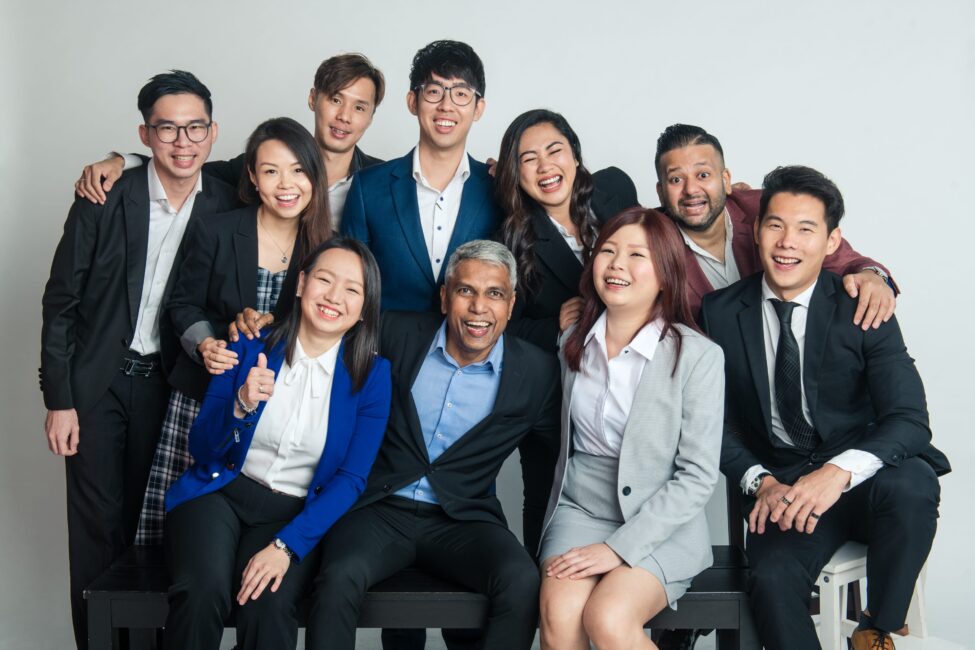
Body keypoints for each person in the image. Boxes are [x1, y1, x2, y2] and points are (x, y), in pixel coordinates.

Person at [699, 166, 950, 650]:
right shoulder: (721, 312)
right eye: (775, 225)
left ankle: (876, 629)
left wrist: (836, 473)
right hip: (784, 485)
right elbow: (714, 423)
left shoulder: (863, 306)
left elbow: (910, 421)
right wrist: (761, 481)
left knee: (914, 483)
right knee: (770, 582)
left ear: (833, 241)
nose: (786, 242)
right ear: (756, 231)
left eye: (806, 229)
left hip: (862, 479)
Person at [39, 70, 237, 648]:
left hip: (171, 388)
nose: (183, 142)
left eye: (195, 127)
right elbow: (61, 302)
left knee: (154, 532)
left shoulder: (226, 202)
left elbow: (295, 162)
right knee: (96, 534)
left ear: (213, 132)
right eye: (167, 129)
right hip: (95, 387)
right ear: (144, 134)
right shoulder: (105, 196)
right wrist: (60, 399)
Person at [304, 240, 560, 650]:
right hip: (379, 511)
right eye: (466, 291)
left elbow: (563, 460)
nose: (479, 307)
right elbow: (316, 349)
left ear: (511, 306)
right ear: (445, 298)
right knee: (338, 577)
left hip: (463, 518)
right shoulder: (394, 333)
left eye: (494, 294)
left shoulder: (538, 372)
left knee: (521, 579)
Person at [164, 238, 392, 650]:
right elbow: (202, 447)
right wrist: (241, 404)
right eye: (324, 279)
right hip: (220, 493)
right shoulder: (249, 344)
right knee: (203, 592)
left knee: (266, 608)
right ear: (302, 283)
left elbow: (351, 479)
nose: (334, 297)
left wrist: (286, 546)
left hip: (290, 514)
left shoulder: (372, 376)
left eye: (352, 290)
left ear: (364, 308)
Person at [135, 116, 331, 545]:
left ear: (315, 176)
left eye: (299, 170)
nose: (286, 184)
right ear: (252, 177)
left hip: (279, 408)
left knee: (251, 545)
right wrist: (207, 342)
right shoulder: (217, 231)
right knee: (180, 534)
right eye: (271, 170)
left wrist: (281, 328)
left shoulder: (327, 249)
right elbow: (182, 304)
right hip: (205, 396)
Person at [537, 208, 724, 650]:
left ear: (665, 273)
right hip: (580, 508)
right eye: (608, 251)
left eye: (637, 255)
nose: (617, 265)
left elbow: (698, 477)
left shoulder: (698, 356)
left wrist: (620, 548)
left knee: (608, 618)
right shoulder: (570, 343)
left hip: (661, 519)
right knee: (560, 618)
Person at [75, 53, 385, 225]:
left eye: (359, 107)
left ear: (371, 116)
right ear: (313, 99)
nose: (345, 116)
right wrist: (124, 161)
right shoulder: (265, 163)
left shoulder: (384, 183)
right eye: (335, 100)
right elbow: (184, 168)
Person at [654, 123, 896, 326]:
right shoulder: (647, 240)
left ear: (726, 180)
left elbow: (845, 259)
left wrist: (872, 276)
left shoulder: (768, 208)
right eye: (676, 179)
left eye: (703, 175)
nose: (691, 190)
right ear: (661, 193)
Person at [342, 40, 499, 312]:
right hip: (387, 350)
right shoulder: (367, 188)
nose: (446, 106)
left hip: (470, 351)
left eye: (461, 94)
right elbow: (349, 285)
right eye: (434, 91)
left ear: (479, 108)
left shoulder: (499, 188)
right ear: (413, 102)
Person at [494, 108, 639, 351]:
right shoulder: (509, 243)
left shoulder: (617, 187)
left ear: (575, 154)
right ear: (515, 174)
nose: (545, 166)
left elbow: (658, 236)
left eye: (554, 151)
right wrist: (556, 327)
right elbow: (501, 327)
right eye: (529, 159)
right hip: (574, 366)